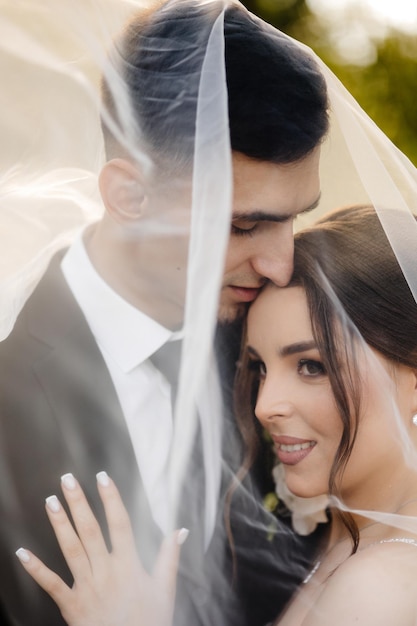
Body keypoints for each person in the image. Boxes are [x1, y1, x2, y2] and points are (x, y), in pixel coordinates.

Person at [0, 1, 329, 625]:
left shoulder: (281, 354)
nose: (281, 267)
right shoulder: (6, 370)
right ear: (128, 195)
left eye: (296, 217)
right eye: (245, 225)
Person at [17, 204, 417, 626]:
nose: (264, 406)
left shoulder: (382, 589)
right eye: (260, 367)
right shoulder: (332, 539)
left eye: (311, 366)